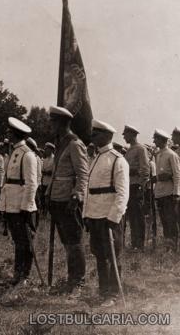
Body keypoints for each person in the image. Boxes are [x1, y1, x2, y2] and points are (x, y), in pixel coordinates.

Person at [84, 120, 130, 307]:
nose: (93, 136)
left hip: (108, 216)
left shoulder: (118, 160)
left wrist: (113, 217)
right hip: (94, 214)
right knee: (99, 254)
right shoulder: (95, 158)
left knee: (112, 255)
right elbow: (89, 189)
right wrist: (86, 214)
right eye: (93, 133)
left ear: (108, 136)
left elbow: (122, 193)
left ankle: (113, 294)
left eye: (97, 133)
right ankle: (103, 291)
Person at [46, 106, 89, 297]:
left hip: (69, 200)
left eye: (53, 122)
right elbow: (56, 173)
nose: (51, 125)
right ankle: (70, 280)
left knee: (74, 241)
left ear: (63, 123)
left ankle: (78, 282)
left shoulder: (74, 143)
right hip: (57, 198)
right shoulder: (61, 143)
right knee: (66, 242)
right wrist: (48, 192)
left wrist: (77, 195)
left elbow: (83, 174)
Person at [0, 118, 38, 287]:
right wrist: (2, 206)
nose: (7, 134)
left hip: (22, 207)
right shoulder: (13, 153)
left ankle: (24, 276)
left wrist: (26, 207)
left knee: (25, 242)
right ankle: (18, 273)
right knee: (18, 242)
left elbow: (31, 183)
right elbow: (6, 183)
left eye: (9, 132)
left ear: (15, 134)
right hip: (11, 205)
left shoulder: (27, 155)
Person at [122, 125, 150, 250]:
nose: (124, 137)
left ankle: (140, 243)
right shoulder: (129, 150)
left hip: (136, 185)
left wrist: (142, 185)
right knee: (132, 215)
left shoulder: (140, 149)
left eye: (125, 134)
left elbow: (145, 169)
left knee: (138, 215)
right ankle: (135, 243)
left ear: (132, 135)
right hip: (128, 185)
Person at [152, 129, 180, 251]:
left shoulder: (171, 155)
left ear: (162, 140)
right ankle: (168, 245)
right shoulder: (158, 155)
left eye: (156, 139)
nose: (154, 141)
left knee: (171, 221)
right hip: (160, 193)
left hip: (169, 193)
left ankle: (173, 246)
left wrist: (176, 193)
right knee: (164, 220)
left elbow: (177, 175)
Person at [40, 143, 55, 215]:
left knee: (49, 199)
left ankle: (49, 212)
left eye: (47, 149)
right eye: (45, 149)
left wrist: (49, 172)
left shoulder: (54, 159)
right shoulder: (45, 160)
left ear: (51, 150)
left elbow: (54, 171)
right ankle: (45, 212)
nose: (45, 151)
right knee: (43, 198)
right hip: (44, 181)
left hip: (50, 182)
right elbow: (42, 170)